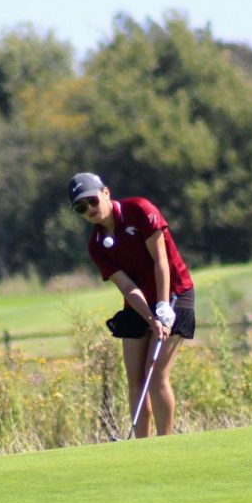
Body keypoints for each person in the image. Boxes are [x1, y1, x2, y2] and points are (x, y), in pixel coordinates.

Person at [68, 172, 195, 438]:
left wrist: (162, 307)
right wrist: (151, 317)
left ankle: (165, 443)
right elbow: (127, 287)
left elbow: (161, 261)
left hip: (173, 293)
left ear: (105, 193)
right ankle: (141, 447)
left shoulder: (140, 210)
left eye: (91, 200)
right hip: (138, 305)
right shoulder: (96, 245)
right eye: (81, 207)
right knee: (135, 380)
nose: (89, 209)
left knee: (156, 374)